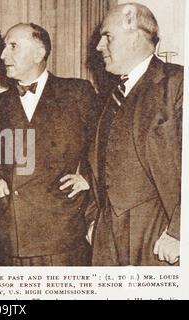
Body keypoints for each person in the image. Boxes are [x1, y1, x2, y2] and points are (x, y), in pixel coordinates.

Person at [0, 23, 96, 266]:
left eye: (13, 46)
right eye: (5, 47)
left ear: (39, 53)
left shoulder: (77, 93)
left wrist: (89, 178)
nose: (3, 54)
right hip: (12, 232)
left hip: (62, 232)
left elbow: (107, 143)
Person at [86, 3, 183, 266]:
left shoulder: (177, 84)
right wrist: (94, 218)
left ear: (134, 34)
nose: (98, 47)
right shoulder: (110, 97)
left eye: (107, 36)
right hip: (107, 238)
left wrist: (179, 231)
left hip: (159, 235)